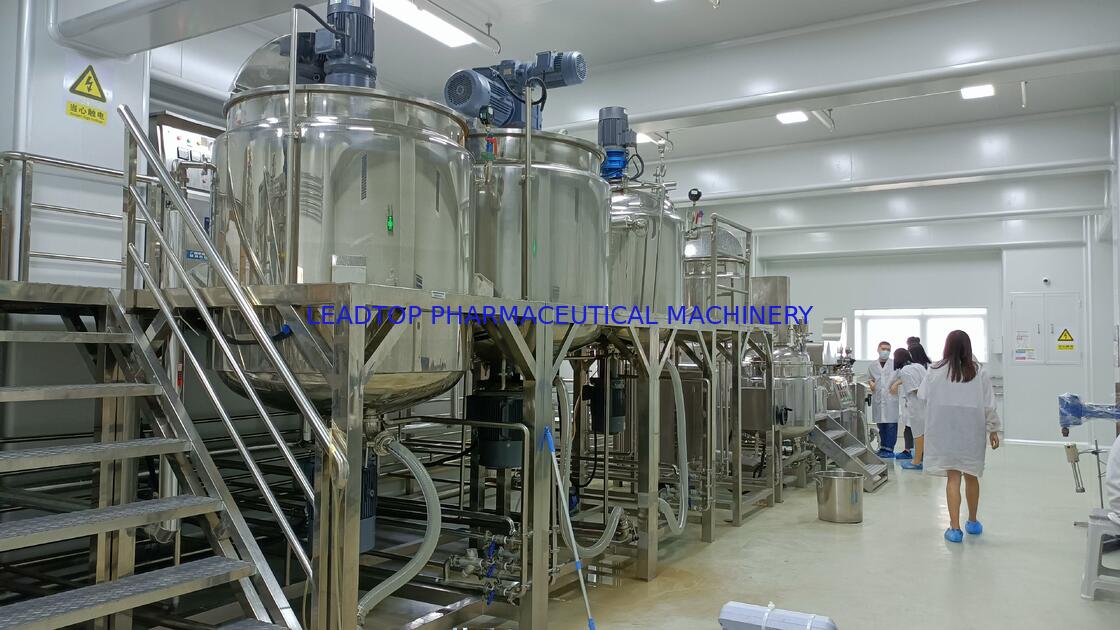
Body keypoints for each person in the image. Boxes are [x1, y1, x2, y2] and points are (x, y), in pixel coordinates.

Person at [918, 330, 1001, 543]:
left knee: (953, 478)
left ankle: (954, 529)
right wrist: (993, 429)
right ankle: (972, 521)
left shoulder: (935, 370)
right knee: (971, 476)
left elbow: (922, 395)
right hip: (971, 432)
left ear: (947, 347)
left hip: (944, 432)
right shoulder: (979, 372)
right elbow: (989, 405)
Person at [891, 346, 927, 471]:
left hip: (917, 406)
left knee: (918, 434)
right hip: (926, 405)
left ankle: (916, 461)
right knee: (924, 432)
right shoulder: (918, 366)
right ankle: (923, 459)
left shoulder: (905, 371)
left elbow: (915, 389)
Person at [867, 341, 900, 459]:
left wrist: (896, 384)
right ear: (878, 349)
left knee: (891, 424)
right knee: (881, 425)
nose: (885, 351)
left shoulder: (895, 364)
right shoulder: (872, 365)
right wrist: (871, 383)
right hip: (878, 398)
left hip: (891, 399)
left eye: (888, 349)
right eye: (883, 348)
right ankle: (883, 447)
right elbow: (869, 378)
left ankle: (889, 449)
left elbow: (903, 377)